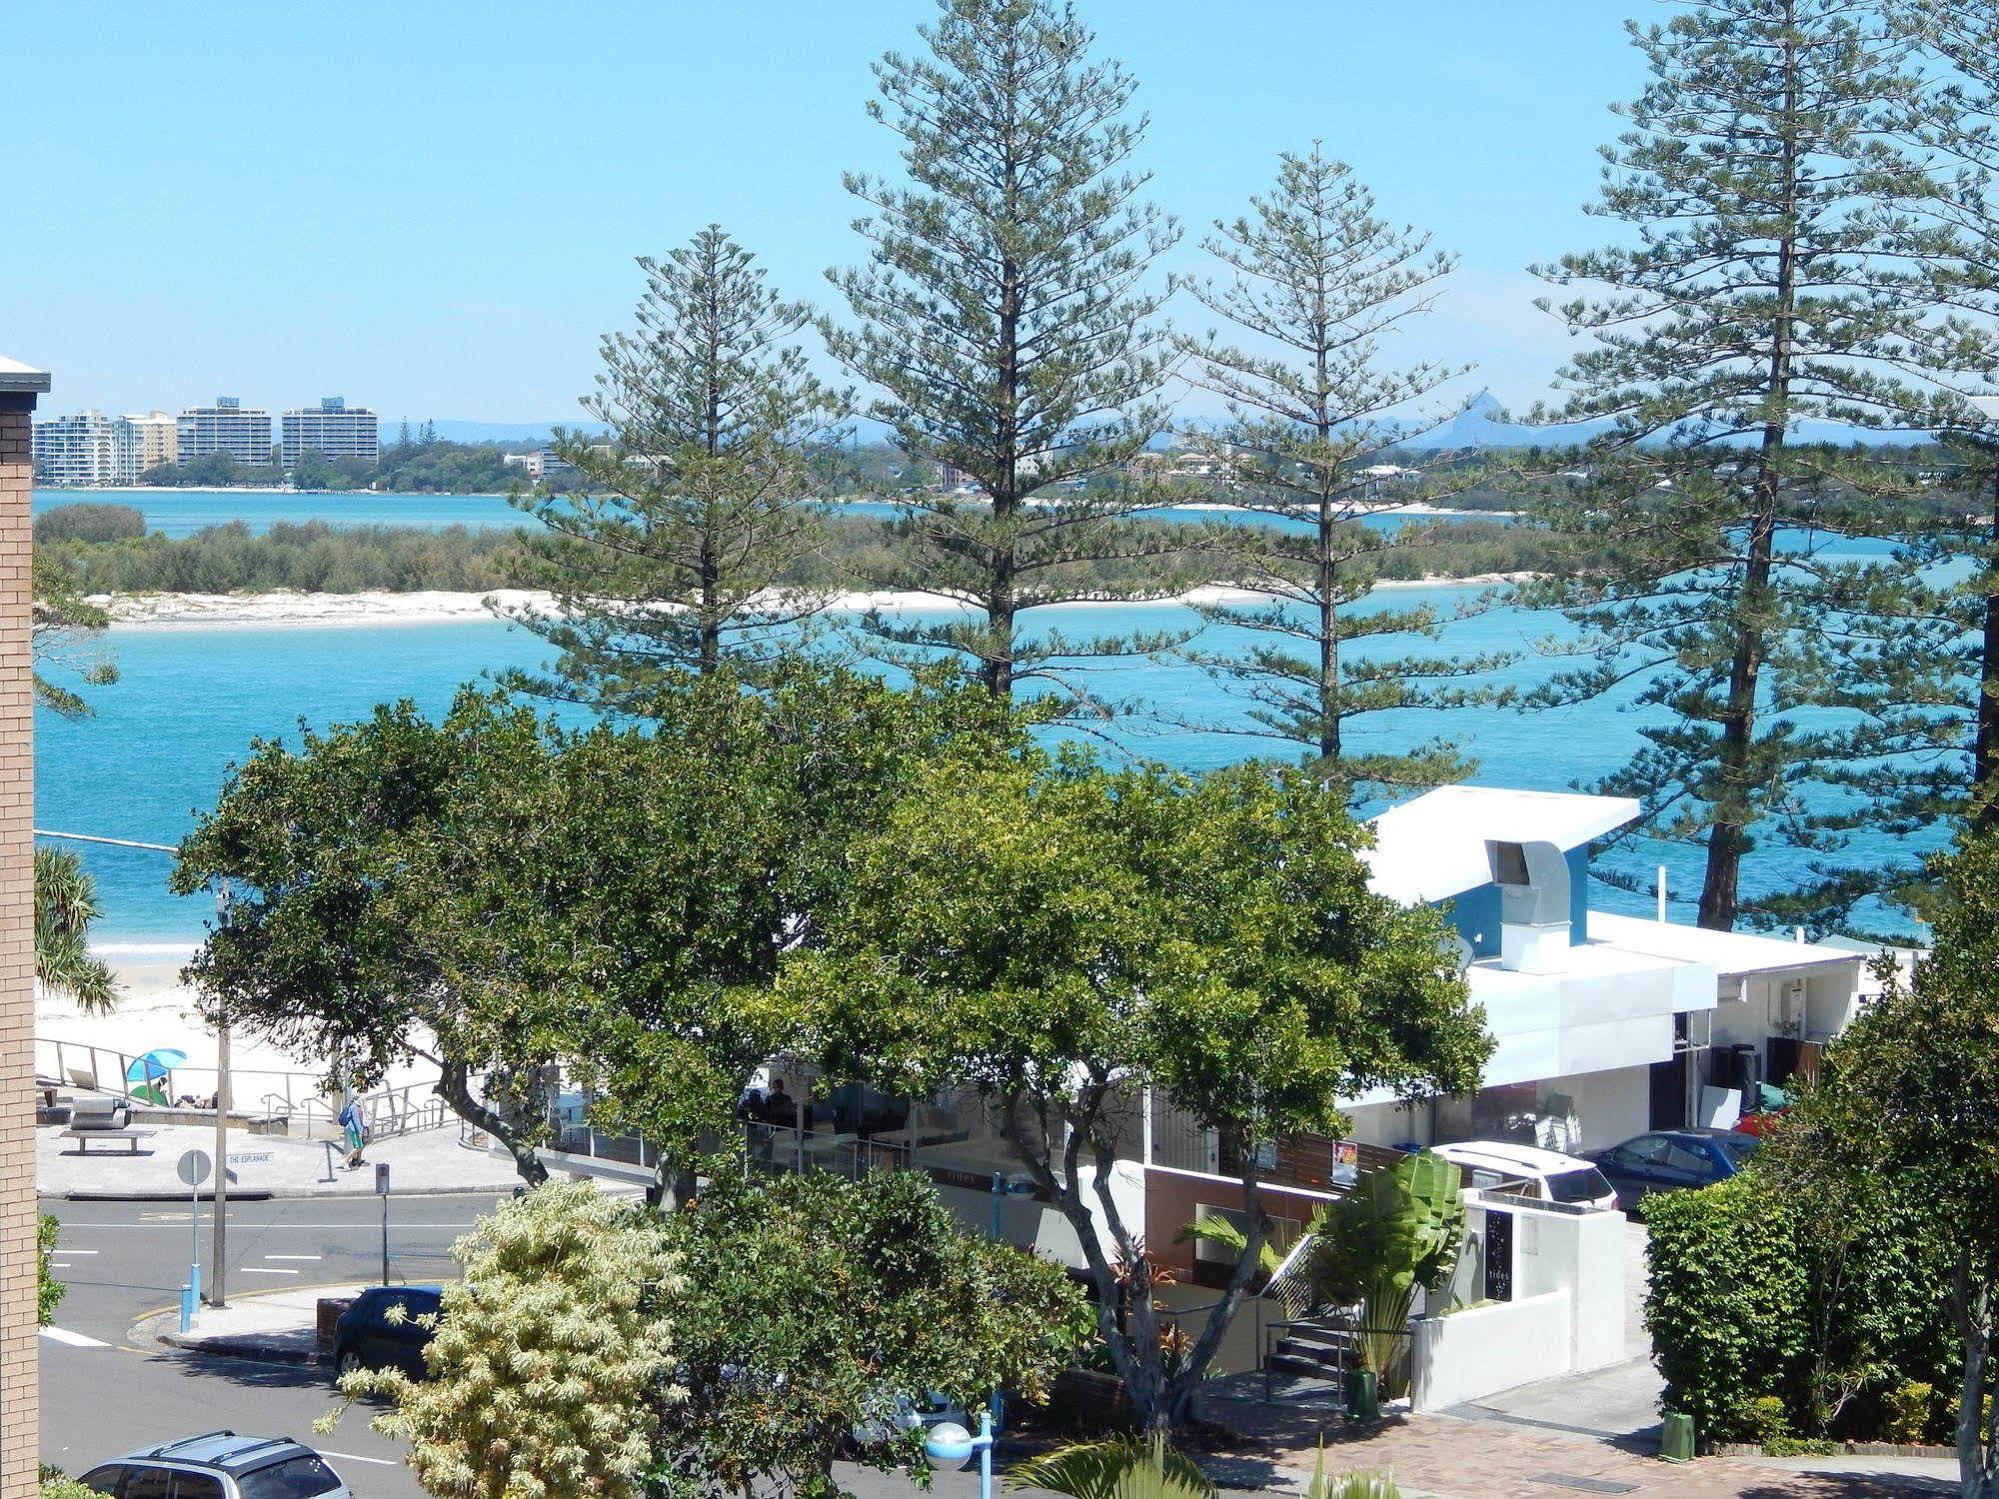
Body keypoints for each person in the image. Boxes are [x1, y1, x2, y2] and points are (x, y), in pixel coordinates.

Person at [338, 1096, 368, 1168]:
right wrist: (360, 1132)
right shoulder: (355, 1107)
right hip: (353, 1129)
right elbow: (356, 1120)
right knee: (358, 1146)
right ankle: (345, 1161)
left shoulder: (351, 1105)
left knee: (357, 1145)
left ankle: (354, 1162)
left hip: (351, 1128)